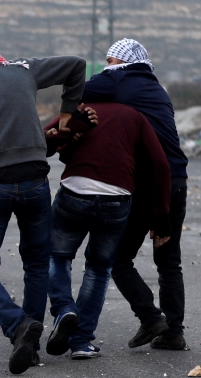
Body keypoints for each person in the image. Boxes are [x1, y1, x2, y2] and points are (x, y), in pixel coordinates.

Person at [0, 35, 85, 374]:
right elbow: (76, 66)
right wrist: (66, 115)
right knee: (36, 263)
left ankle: (18, 326)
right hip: (35, 178)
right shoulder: (22, 70)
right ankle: (30, 347)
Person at [82, 39, 191, 351]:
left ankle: (150, 317)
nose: (107, 66)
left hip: (149, 182)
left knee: (117, 258)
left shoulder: (118, 79)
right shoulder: (156, 88)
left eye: (110, 60)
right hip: (177, 179)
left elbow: (79, 90)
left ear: (121, 61)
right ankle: (173, 333)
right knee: (168, 261)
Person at [43, 103, 171, 359]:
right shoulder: (135, 115)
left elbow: (42, 141)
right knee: (99, 268)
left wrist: (70, 132)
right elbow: (160, 163)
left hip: (76, 190)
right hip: (117, 197)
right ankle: (81, 341)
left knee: (57, 256)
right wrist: (162, 216)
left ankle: (65, 309)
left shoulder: (83, 107)